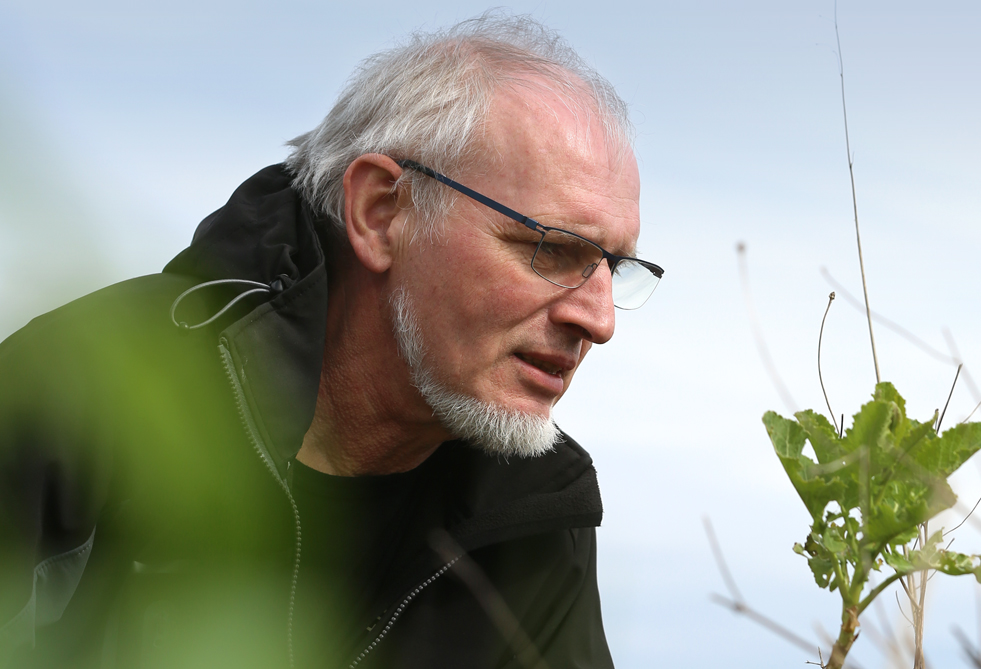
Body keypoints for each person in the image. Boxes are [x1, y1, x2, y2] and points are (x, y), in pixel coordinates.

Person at [0, 14, 662, 669]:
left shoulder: (537, 512)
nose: (599, 320)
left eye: (613, 267)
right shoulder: (78, 393)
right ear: (381, 213)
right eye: (549, 248)